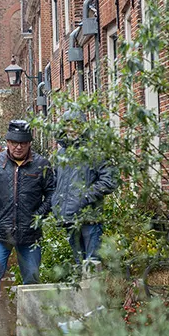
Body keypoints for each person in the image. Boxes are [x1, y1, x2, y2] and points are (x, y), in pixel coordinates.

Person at [0, 120, 55, 336]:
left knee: (32, 278)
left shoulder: (41, 165)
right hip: (0, 233)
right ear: (7, 142)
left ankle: (32, 323)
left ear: (29, 143)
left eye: (23, 143)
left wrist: (38, 216)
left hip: (30, 234)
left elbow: (52, 194)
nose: (18, 147)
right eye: (14, 142)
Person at [51, 110, 118, 264]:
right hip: (69, 218)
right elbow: (55, 182)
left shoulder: (95, 152)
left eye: (76, 125)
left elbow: (110, 180)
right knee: (79, 263)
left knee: (92, 264)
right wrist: (56, 203)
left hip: (90, 218)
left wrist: (85, 196)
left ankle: (94, 282)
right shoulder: (60, 155)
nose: (72, 129)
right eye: (68, 125)